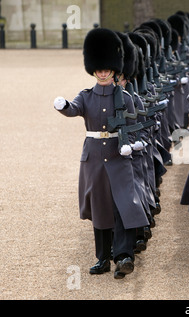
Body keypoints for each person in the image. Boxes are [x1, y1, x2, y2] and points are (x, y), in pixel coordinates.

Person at [53, 28, 149, 279]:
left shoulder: (125, 98)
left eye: (107, 69)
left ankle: (124, 255)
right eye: (100, 69)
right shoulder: (86, 96)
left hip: (119, 157)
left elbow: (134, 125)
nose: (103, 72)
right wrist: (63, 106)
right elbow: (74, 109)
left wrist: (135, 145)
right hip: (95, 159)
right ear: (94, 69)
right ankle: (103, 258)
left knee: (124, 206)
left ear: (114, 70)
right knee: (101, 209)